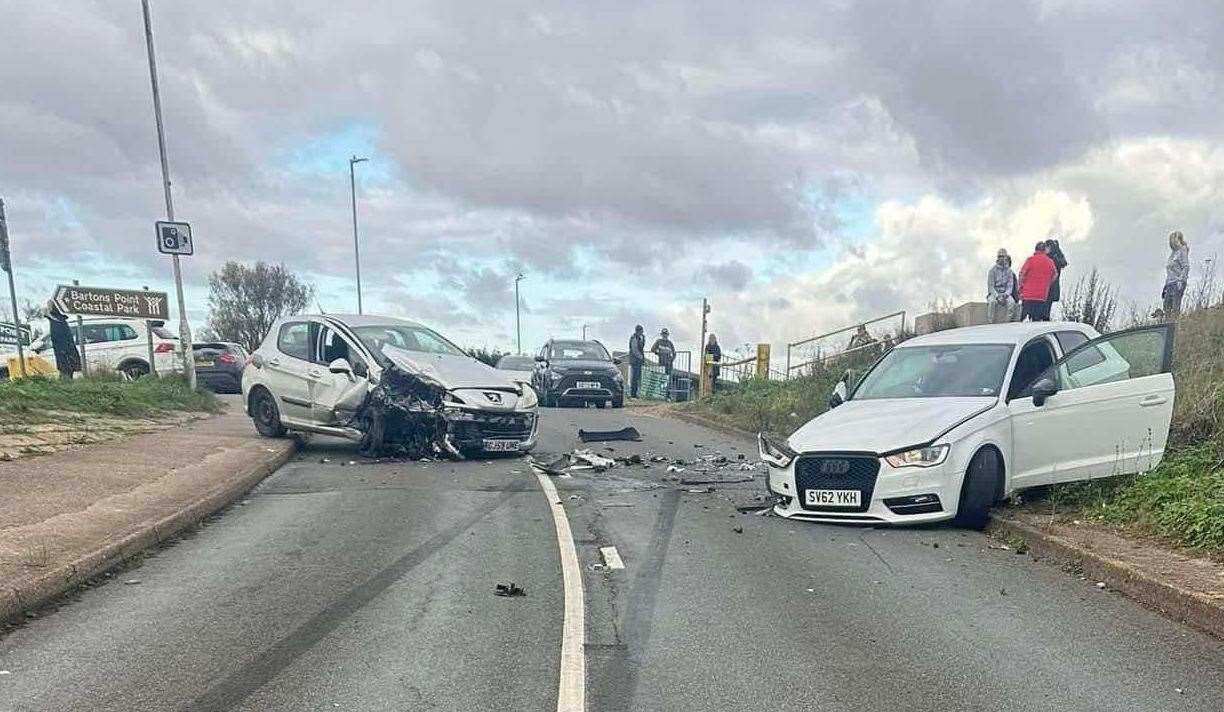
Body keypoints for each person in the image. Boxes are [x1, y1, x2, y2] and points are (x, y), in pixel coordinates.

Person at [1018, 242, 1057, 322]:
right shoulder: (1050, 262)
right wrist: (1048, 284)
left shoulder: (1030, 260)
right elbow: (1055, 274)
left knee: (1022, 319)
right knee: (1036, 320)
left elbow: (1022, 274)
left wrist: (1020, 287)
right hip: (1041, 296)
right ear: (1044, 250)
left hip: (1027, 295)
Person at [47, 302, 80, 381]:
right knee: (66, 375)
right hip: (66, 355)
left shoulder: (57, 322)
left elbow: (60, 340)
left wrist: (65, 353)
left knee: (66, 377)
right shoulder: (59, 321)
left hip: (65, 356)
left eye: (49, 306)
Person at [1163, 231, 1190, 319]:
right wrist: (1165, 286)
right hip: (1169, 283)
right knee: (1166, 307)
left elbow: (1186, 266)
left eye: (1173, 239)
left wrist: (1181, 280)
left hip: (1177, 283)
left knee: (1175, 307)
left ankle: (1174, 326)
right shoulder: (1172, 254)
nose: (1171, 242)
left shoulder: (1182, 250)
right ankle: (1167, 326)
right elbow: (1169, 271)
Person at [987, 248, 1018, 323]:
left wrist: (1006, 295)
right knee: (992, 302)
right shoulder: (992, 270)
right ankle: (990, 322)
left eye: (1003, 256)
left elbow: (1010, 286)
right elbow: (991, 286)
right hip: (995, 292)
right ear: (997, 258)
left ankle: (1006, 323)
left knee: (1012, 303)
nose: (1001, 258)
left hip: (1005, 293)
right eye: (1000, 256)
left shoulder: (1009, 271)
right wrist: (997, 296)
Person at [1044, 238, 1068, 320]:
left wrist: (1057, 250)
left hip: (1051, 286)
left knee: (1046, 309)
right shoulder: (1049, 257)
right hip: (1047, 286)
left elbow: (1063, 263)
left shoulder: (1055, 257)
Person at [650, 328, 676, 399]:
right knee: (661, 379)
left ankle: (668, 396)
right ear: (661, 335)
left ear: (668, 335)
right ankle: (661, 395)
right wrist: (658, 353)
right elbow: (652, 349)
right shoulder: (658, 341)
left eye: (666, 334)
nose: (665, 335)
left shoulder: (670, 343)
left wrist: (671, 360)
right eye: (663, 334)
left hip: (669, 365)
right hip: (661, 364)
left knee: (669, 380)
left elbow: (674, 353)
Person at [628, 325, 646, 399]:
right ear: (638, 331)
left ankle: (637, 393)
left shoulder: (641, 338)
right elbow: (635, 350)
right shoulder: (634, 338)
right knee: (634, 378)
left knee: (638, 377)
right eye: (641, 331)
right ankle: (633, 394)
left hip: (638, 361)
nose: (642, 332)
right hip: (635, 361)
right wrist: (641, 357)